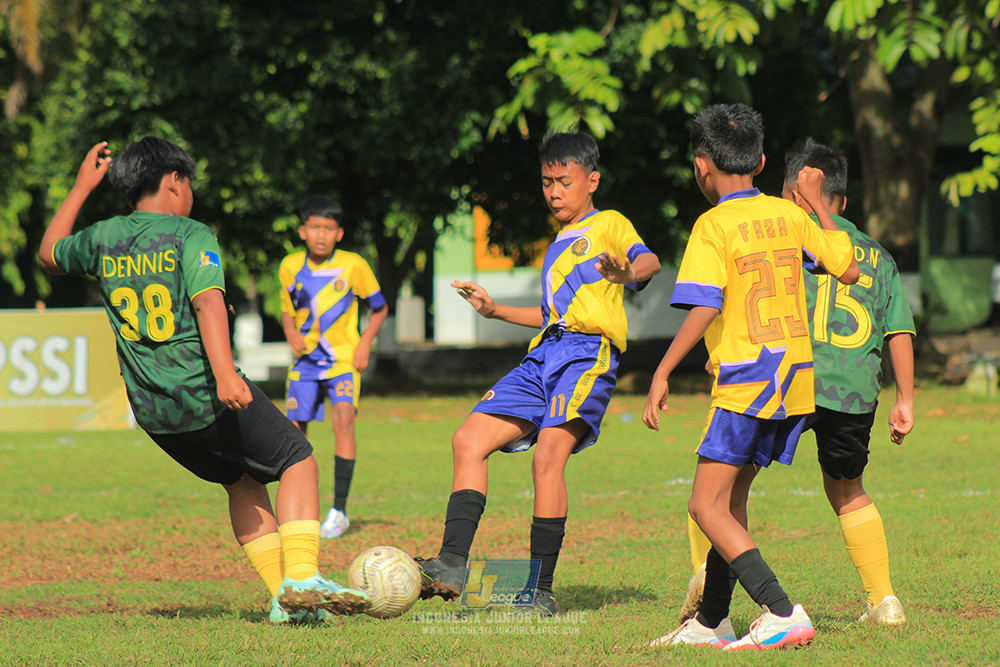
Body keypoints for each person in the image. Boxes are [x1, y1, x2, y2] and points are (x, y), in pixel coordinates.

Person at [38, 138, 370, 624]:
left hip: (152, 410)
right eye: (188, 182)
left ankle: (287, 603)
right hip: (202, 389)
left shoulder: (103, 236)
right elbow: (208, 301)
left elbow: (48, 254)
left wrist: (82, 187)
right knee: (298, 460)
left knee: (241, 482)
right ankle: (302, 578)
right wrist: (225, 375)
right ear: (174, 181)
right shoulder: (189, 233)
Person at [641, 104, 860, 650]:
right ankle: (712, 621)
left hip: (747, 381)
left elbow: (704, 304)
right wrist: (814, 201)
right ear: (761, 163)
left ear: (701, 166)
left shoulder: (712, 225)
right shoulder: (789, 215)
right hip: (794, 381)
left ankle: (781, 610)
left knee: (704, 506)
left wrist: (662, 371)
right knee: (730, 503)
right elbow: (849, 268)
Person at [415, 132, 661, 617]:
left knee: (548, 456)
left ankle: (540, 592)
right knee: (468, 439)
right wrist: (494, 311)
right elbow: (551, 316)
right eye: (547, 182)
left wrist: (629, 274)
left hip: (587, 354)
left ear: (592, 181)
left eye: (564, 182)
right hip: (543, 355)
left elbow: (648, 260)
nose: (554, 192)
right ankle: (452, 563)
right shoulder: (555, 247)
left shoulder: (609, 223)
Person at [677, 139, 916, 629]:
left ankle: (709, 581)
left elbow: (751, 301)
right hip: (853, 389)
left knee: (725, 488)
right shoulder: (878, 255)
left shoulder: (783, 233)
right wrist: (906, 399)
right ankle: (885, 600)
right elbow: (899, 330)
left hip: (788, 380)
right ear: (841, 201)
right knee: (849, 490)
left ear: (790, 194)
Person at [279, 195, 388, 539]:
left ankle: (338, 511)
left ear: (339, 233)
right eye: (315, 227)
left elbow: (379, 307)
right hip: (305, 363)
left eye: (328, 228)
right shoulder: (289, 266)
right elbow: (286, 310)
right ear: (302, 231)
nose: (321, 235)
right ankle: (300, 510)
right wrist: (290, 331)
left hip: (343, 361)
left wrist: (365, 342)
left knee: (343, 420)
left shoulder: (354, 265)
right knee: (294, 434)